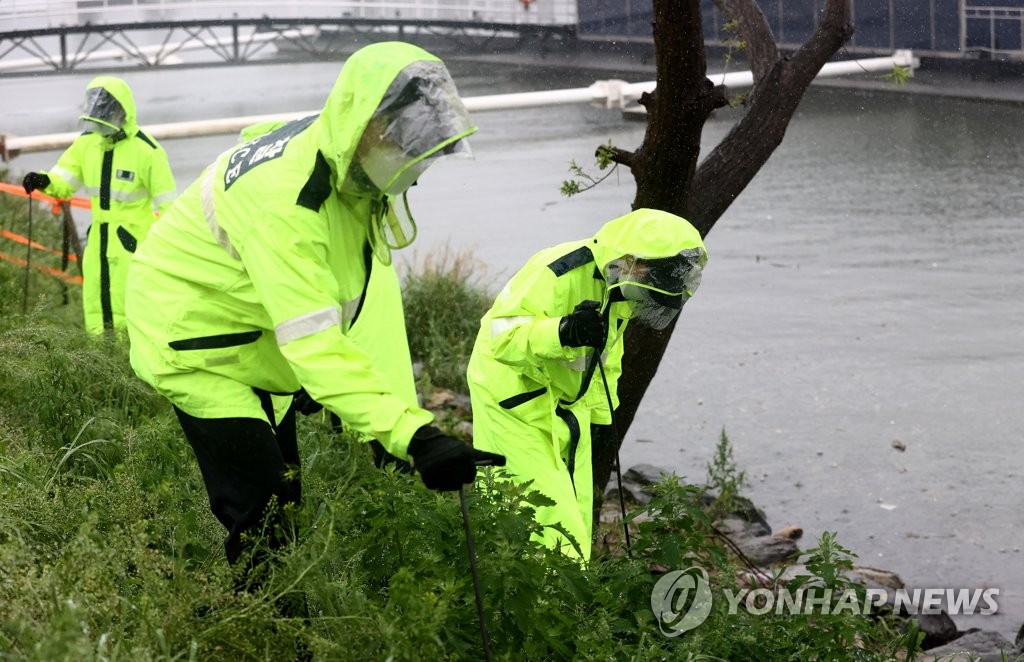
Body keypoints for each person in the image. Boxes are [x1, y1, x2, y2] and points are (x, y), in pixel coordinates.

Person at [124, 42, 499, 582]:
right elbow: (314, 344)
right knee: (265, 514)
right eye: (407, 149)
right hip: (191, 340)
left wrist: (389, 432)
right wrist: (414, 436)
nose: (415, 171)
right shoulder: (290, 208)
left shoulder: (342, 160)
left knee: (288, 497)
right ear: (369, 129)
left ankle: (279, 625)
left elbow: (363, 306)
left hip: (252, 332)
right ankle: (267, 638)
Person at [466, 208, 707, 562]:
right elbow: (500, 339)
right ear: (636, 264)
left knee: (576, 512)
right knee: (542, 518)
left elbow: (606, 358)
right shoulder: (559, 270)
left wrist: (601, 421)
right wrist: (563, 330)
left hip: (566, 404)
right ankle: (546, 603)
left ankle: (566, 599)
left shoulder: (622, 287)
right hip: (512, 398)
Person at [22, 76, 177, 335]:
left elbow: (171, 208)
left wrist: (170, 250)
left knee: (133, 303)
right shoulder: (86, 143)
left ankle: (131, 365)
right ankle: (101, 362)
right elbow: (65, 179)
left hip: (134, 245)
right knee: (95, 302)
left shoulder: (147, 151)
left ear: (122, 111)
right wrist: (43, 180)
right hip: (98, 243)